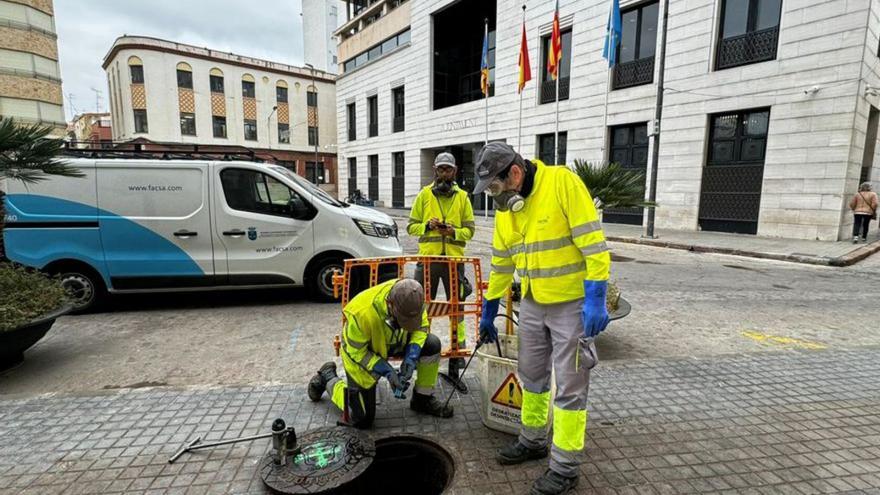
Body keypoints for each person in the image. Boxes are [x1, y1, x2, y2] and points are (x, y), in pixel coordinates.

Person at [473, 142, 611, 495]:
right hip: (532, 303)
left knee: (570, 388)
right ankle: (532, 440)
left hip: (571, 306)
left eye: (495, 187)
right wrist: (489, 307)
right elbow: (502, 262)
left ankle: (565, 466)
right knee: (531, 376)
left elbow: (594, 247)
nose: (494, 196)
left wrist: (595, 298)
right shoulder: (508, 211)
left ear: (515, 174)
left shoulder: (562, 183)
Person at [307, 278, 453, 428]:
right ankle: (328, 378)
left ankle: (422, 399)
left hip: (396, 341)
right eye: (403, 320)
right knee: (362, 419)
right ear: (390, 305)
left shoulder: (413, 299)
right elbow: (357, 352)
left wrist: (411, 357)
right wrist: (387, 371)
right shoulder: (362, 313)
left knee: (432, 344)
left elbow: (421, 328)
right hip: (363, 352)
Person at [406, 152, 476, 388]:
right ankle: (420, 354)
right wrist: (427, 226)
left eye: (448, 169)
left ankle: (456, 362)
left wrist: (453, 232)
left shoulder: (463, 197)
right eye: (441, 169)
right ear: (435, 171)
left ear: (454, 172)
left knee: (456, 311)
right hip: (428, 262)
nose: (444, 173)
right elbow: (410, 227)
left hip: (454, 263)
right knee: (421, 310)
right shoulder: (424, 195)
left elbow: (470, 230)